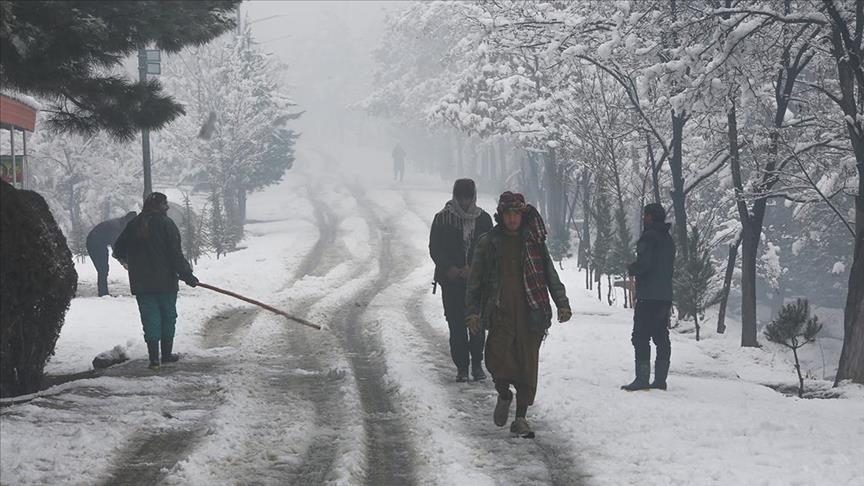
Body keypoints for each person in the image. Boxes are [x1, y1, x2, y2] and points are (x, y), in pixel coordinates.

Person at [466, 191, 571, 438]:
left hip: (531, 313)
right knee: (496, 359)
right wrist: (472, 312)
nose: (512, 219)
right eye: (507, 214)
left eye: (516, 214)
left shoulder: (533, 242)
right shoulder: (488, 242)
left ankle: (521, 418)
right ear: (500, 216)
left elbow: (549, 274)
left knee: (527, 365)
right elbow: (475, 281)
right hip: (500, 313)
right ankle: (504, 394)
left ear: (522, 216)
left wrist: (562, 303)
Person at [113, 192, 199, 370]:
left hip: (141, 284)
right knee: (168, 317)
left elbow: (118, 248)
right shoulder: (167, 224)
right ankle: (166, 355)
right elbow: (175, 255)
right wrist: (187, 275)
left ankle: (154, 359)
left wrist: (127, 262)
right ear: (162, 207)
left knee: (150, 319)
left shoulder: (133, 225)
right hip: (165, 282)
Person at [430, 179, 494, 382]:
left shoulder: (484, 219)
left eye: (468, 197)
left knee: (477, 325)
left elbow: (490, 249)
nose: (465, 202)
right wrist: (452, 269)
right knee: (456, 326)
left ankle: (477, 364)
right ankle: (462, 367)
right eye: (461, 197)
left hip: (478, 283)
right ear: (455, 196)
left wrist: (474, 269)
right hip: (451, 283)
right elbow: (435, 248)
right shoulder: (442, 219)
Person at [621, 203, 676, 391]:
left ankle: (642, 379)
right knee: (661, 336)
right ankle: (660, 380)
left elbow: (645, 264)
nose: (643, 218)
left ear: (651, 217)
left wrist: (632, 268)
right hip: (664, 296)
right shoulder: (668, 240)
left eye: (646, 215)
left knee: (640, 336)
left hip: (648, 296)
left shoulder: (648, 237)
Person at [86, 211, 137, 296]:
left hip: (99, 242)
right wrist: (124, 262)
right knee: (103, 268)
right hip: (94, 242)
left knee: (103, 269)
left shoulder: (121, 224)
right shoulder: (116, 228)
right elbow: (116, 247)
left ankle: (103, 292)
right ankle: (103, 293)